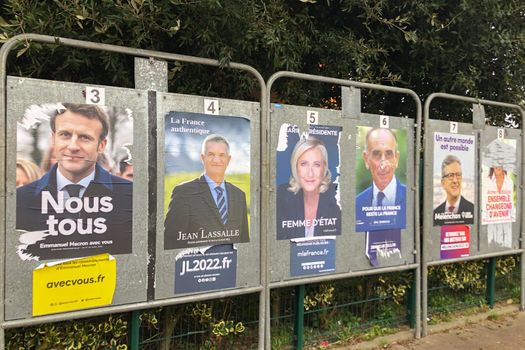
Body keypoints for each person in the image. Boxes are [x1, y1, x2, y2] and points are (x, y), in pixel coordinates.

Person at [16, 103, 133, 259]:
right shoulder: (20, 200)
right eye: (65, 134)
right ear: (53, 139)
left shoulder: (130, 196)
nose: (72, 146)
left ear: (101, 145)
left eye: (85, 137)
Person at [164, 134, 249, 249]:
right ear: (202, 158)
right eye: (211, 154)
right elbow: (170, 241)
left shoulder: (239, 195)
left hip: (231, 263)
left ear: (228, 160)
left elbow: (243, 240)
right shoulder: (184, 192)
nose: (216, 160)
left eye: (221, 155)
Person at [276, 136, 340, 239]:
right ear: (295, 167)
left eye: (316, 165)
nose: (310, 173)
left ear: (324, 168)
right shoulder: (283, 197)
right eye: (304, 164)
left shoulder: (337, 198)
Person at [355, 128, 406, 231]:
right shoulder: (357, 203)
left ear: (396, 159)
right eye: (376, 154)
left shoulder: (410, 198)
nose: (383, 164)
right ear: (366, 159)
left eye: (389, 154)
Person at [433, 154, 474, 225]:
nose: (455, 180)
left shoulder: (472, 210)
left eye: (458, 175)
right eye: (450, 176)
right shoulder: (436, 213)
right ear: (443, 183)